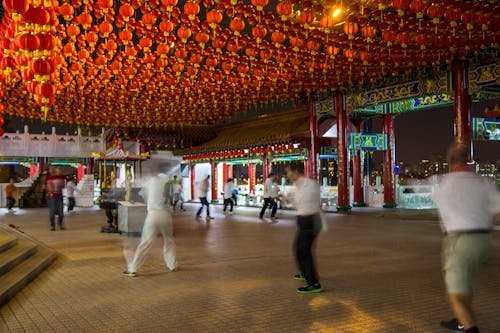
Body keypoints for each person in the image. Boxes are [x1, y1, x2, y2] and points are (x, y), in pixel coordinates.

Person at [432, 143, 500, 333]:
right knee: (466, 286)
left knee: (455, 296)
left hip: (460, 241)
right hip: (483, 240)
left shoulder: (443, 183)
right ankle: (461, 320)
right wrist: (486, 222)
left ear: (450, 162)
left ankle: (470, 328)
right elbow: (498, 210)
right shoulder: (483, 181)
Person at [123, 164, 178, 277]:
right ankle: (173, 264)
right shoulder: (170, 182)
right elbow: (174, 197)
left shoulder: (152, 180)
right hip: (166, 215)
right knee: (169, 241)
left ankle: (133, 268)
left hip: (153, 214)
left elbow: (142, 194)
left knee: (145, 242)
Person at [285, 164, 323, 294]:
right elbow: (295, 204)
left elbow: (311, 203)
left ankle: (313, 283)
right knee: (299, 249)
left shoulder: (309, 185)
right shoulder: (296, 187)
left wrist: (291, 200)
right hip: (303, 220)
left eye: (289, 172)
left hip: (311, 220)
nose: (288, 175)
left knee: (304, 250)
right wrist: (287, 200)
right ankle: (305, 273)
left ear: (296, 171)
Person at [45, 166, 66, 231]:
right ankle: (52, 225)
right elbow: (47, 187)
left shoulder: (62, 177)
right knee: (52, 211)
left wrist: (61, 184)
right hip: (52, 196)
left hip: (59, 196)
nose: (59, 171)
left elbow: (63, 186)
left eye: (60, 170)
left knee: (61, 212)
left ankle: (60, 224)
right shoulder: (49, 177)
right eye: (58, 170)